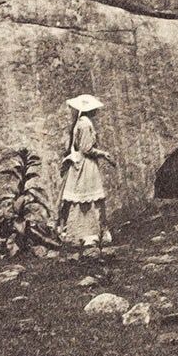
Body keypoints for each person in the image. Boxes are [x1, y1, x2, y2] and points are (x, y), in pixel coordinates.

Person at [57, 94, 116, 248]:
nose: (96, 111)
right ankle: (87, 234)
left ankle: (87, 233)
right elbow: (86, 148)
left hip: (83, 163)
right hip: (85, 165)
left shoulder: (81, 123)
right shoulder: (85, 124)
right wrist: (104, 154)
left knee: (85, 198)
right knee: (87, 197)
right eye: (95, 108)